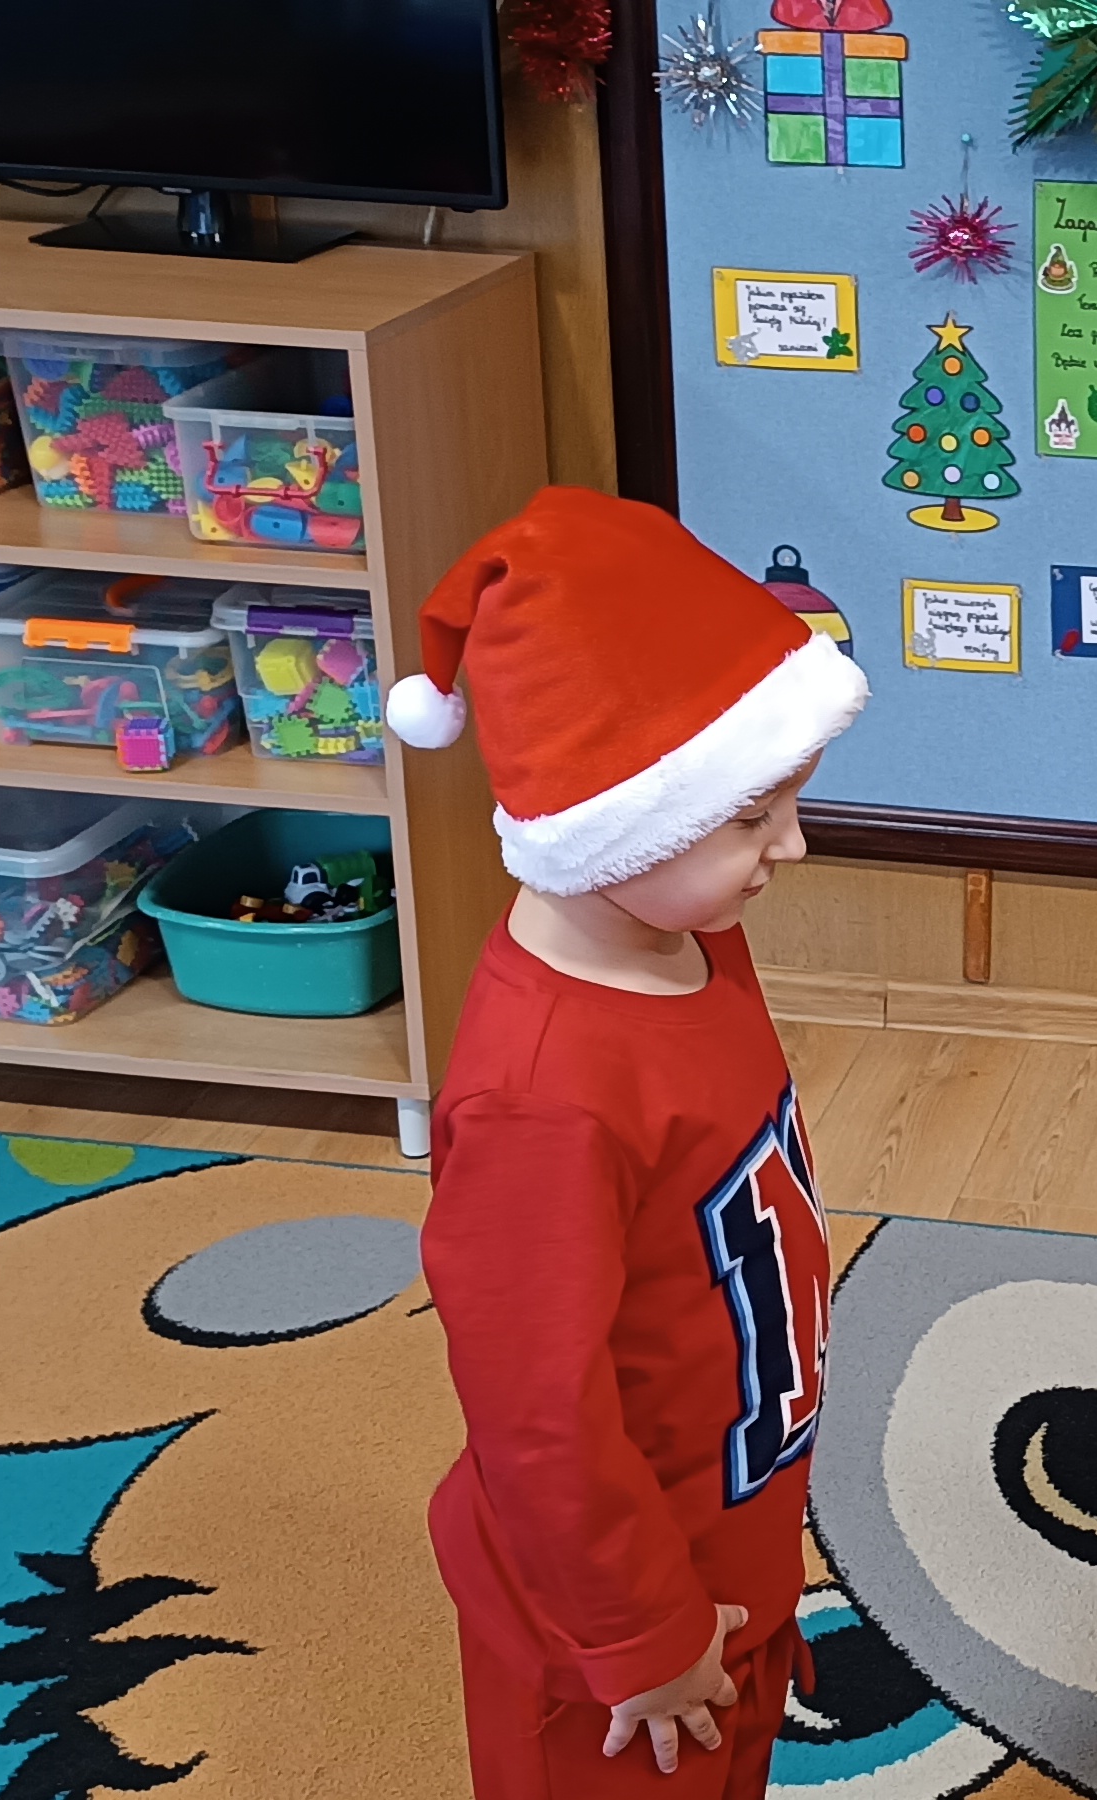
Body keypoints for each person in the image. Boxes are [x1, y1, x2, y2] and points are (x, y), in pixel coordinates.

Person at [392, 487, 868, 1800]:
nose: (791, 846)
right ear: (619, 814)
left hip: (730, 1516)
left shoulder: (696, 940)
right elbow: (534, 1412)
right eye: (750, 818)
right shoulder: (541, 1100)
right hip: (610, 1639)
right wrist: (640, 1636)